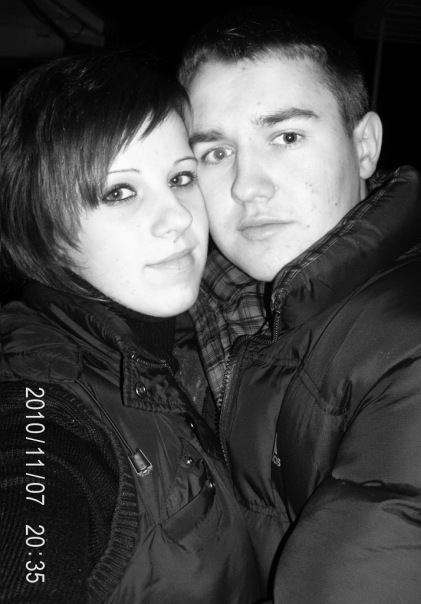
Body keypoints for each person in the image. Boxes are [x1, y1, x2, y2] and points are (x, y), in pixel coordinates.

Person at [178, 7, 421, 602]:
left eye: (287, 137)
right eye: (215, 152)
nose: (247, 186)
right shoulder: (211, 305)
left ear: (364, 146)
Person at [0, 52, 262, 603]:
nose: (179, 217)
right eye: (119, 192)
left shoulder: (201, 346)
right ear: (45, 229)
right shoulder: (40, 409)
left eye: (181, 178)